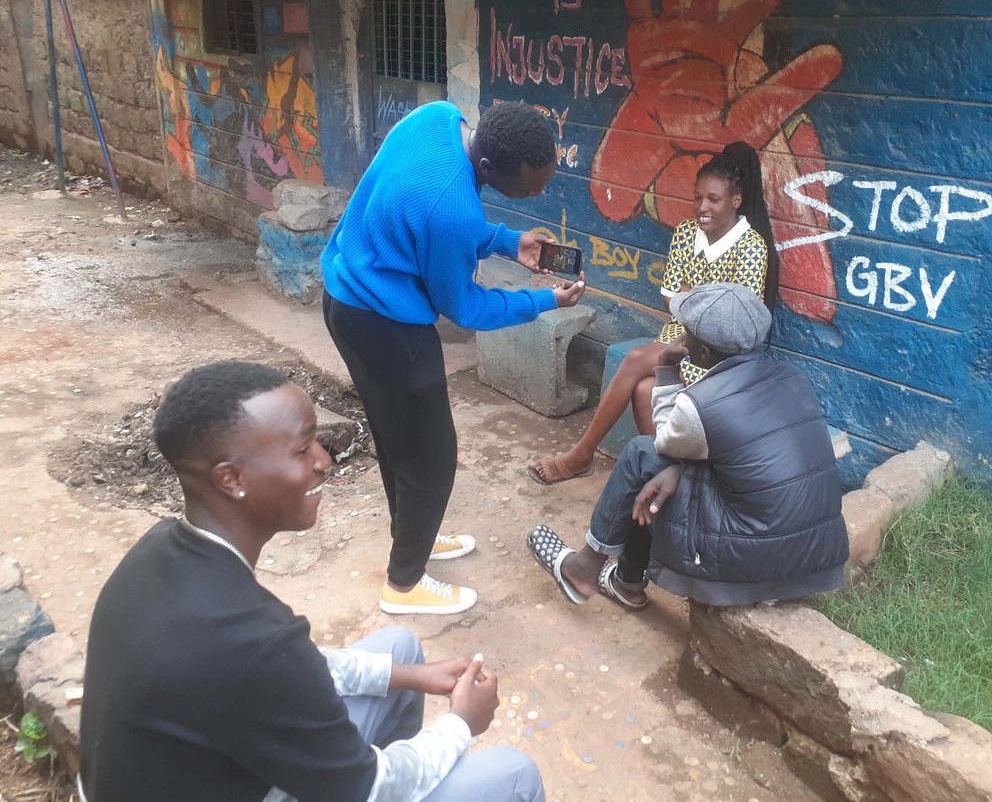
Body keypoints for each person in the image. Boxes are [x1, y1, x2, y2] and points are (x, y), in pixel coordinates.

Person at [78, 361, 544, 802]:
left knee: (400, 650)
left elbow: (283, 670)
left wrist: (414, 677)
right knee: (513, 774)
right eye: (302, 450)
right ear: (231, 478)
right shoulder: (249, 639)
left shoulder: (159, 551)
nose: (324, 461)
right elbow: (367, 787)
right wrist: (462, 723)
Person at [322, 101, 586, 614]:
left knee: (397, 438)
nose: (536, 194)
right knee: (432, 456)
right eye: (529, 187)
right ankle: (404, 586)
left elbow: (433, 224)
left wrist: (512, 242)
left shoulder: (438, 119)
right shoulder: (454, 208)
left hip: (346, 297)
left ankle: (412, 540)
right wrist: (543, 300)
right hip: (387, 324)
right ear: (488, 170)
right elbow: (463, 306)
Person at [527, 284, 848, 609]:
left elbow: (666, 444)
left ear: (703, 353)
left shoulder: (704, 403)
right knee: (661, 478)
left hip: (752, 558)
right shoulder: (792, 377)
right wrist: (680, 470)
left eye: (686, 332)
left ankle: (585, 568)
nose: (681, 336)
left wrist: (667, 370)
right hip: (814, 559)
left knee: (642, 456)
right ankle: (625, 581)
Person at [527, 141, 777, 486]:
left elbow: (733, 326)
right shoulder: (687, 233)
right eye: (697, 198)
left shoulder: (751, 247)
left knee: (635, 362)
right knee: (644, 390)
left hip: (716, 358)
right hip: (678, 338)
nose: (702, 207)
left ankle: (581, 456)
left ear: (735, 201)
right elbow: (669, 298)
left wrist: (688, 300)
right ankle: (663, 475)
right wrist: (697, 304)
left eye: (713, 200)